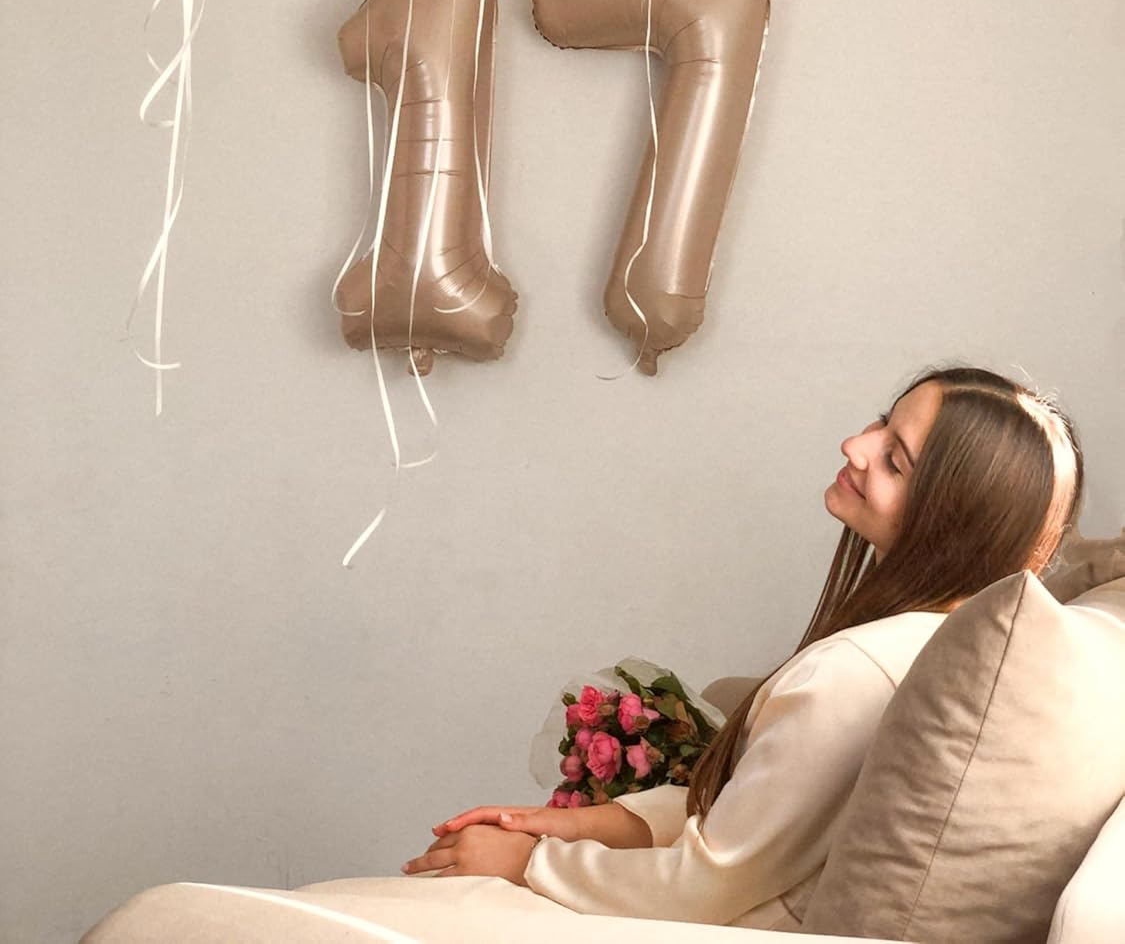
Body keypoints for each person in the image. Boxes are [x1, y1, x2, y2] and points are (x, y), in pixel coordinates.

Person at [80, 365, 1083, 941]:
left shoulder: (853, 674)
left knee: (167, 920)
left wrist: (526, 862)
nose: (853, 447)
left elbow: (714, 884)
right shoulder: (920, 643)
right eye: (880, 425)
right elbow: (762, 822)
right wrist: (583, 822)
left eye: (893, 458)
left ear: (949, 518)